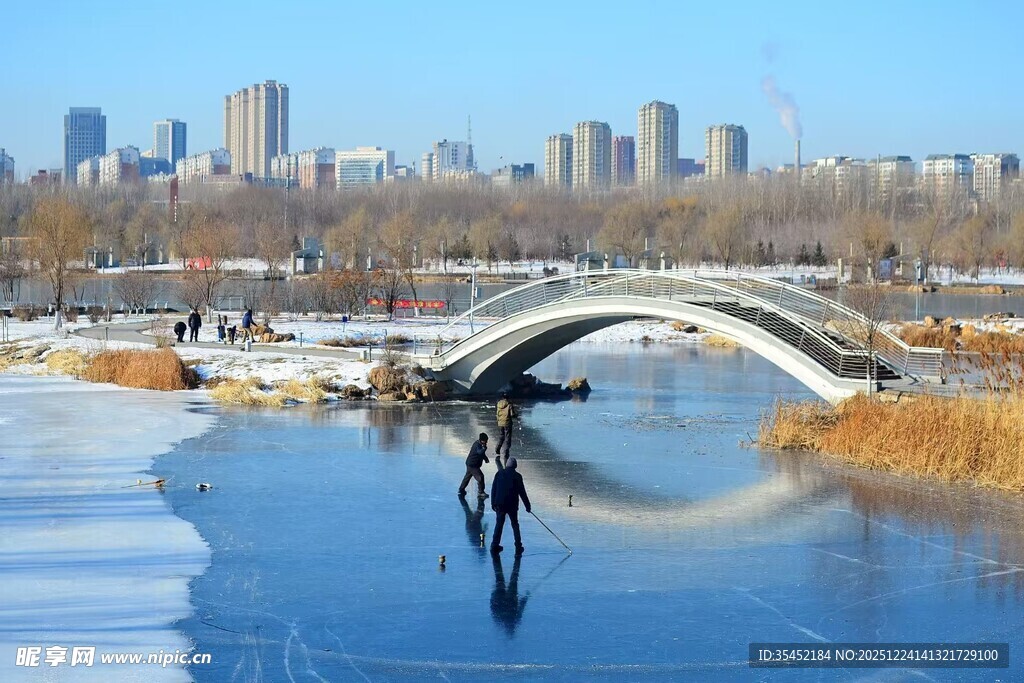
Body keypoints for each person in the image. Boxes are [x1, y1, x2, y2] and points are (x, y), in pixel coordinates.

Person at [490, 456, 531, 555]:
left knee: (499, 524)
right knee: (515, 525)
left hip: (500, 503)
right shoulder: (517, 476)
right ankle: (518, 546)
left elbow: (494, 489)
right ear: (515, 466)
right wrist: (527, 506)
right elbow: (522, 492)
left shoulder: (499, 473)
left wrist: (493, 503)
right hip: (512, 504)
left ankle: (494, 545)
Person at [490, 553, 528, 636]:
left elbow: (494, 606)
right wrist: (525, 599)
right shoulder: (513, 619)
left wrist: (494, 595)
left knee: (503, 580)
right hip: (508, 598)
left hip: (503, 598)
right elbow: (520, 608)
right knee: (511, 580)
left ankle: (496, 554)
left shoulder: (500, 619)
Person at [458, 433, 490, 500]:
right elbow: (480, 452)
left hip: (470, 464)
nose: (487, 442)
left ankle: (461, 489)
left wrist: (485, 458)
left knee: (467, 477)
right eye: (486, 440)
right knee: (480, 477)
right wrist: (484, 448)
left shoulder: (479, 444)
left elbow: (481, 454)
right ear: (482, 440)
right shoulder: (477, 445)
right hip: (473, 465)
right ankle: (481, 492)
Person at [495, 392, 518, 462]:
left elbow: (497, 413)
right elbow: (512, 414)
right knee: (507, 438)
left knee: (501, 436)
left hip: (500, 423)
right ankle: (505, 452)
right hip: (507, 423)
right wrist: (516, 415)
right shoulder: (509, 404)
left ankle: (497, 449)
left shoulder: (498, 403)